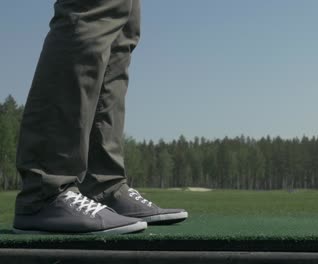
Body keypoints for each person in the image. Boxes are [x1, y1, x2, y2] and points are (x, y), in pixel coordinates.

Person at [12, 0, 187, 234]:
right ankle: (45, 191)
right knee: (94, 8)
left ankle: (102, 186)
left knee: (123, 27)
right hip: (44, 193)